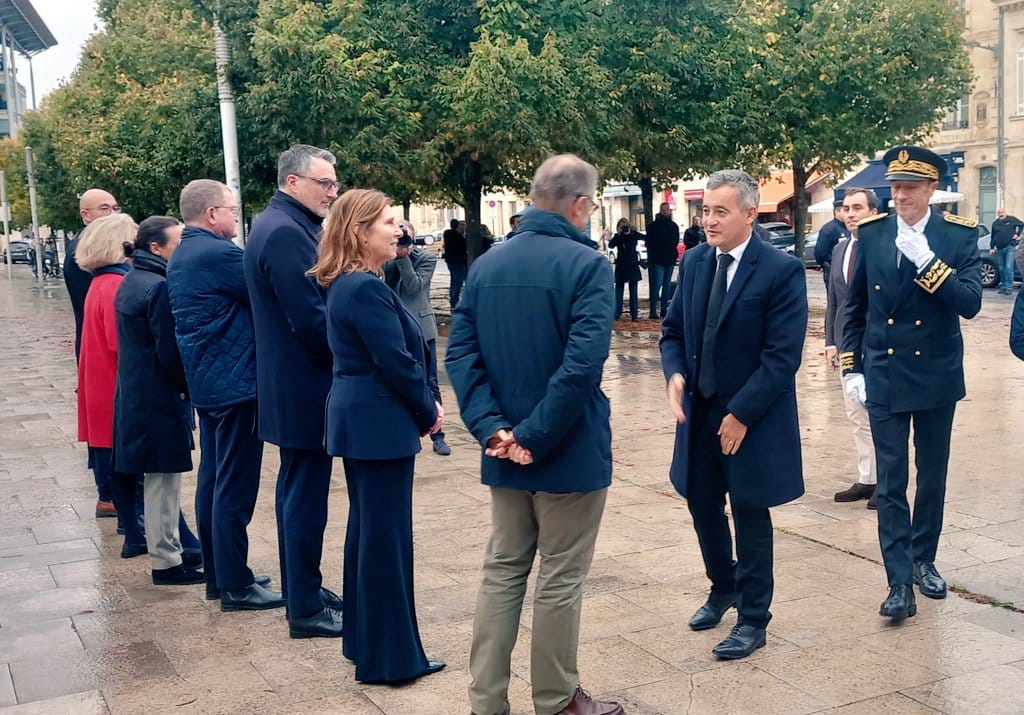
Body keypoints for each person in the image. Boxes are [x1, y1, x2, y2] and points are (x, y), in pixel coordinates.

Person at [448, 154, 624, 715]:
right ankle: (556, 698)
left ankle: (486, 702)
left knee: (502, 571)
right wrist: (532, 435)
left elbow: (461, 355)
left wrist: (493, 429)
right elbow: (581, 366)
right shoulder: (588, 265)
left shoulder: (487, 265)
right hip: (566, 447)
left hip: (505, 448)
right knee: (560, 577)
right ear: (580, 204)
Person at [661, 169, 807, 660]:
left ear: (749, 213)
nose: (709, 220)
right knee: (702, 503)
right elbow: (673, 332)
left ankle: (753, 618)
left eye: (720, 211)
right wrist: (674, 374)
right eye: (705, 211)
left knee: (749, 512)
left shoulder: (780, 271)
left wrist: (741, 413)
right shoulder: (696, 262)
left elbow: (782, 357)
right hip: (700, 413)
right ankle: (723, 585)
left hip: (752, 418)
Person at [310, 188, 445, 685]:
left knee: (369, 532)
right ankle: (390, 659)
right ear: (359, 232)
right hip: (378, 420)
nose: (398, 230)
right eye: (388, 222)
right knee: (385, 539)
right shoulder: (362, 287)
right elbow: (396, 361)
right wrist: (428, 408)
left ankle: (366, 642)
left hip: (366, 419)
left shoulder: (355, 282)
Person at [841, 146, 982, 621]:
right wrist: (852, 367)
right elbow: (855, 307)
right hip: (884, 372)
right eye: (895, 187)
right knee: (892, 479)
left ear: (931, 190)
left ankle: (924, 559)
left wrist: (927, 262)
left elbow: (969, 304)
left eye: (909, 188)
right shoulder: (873, 233)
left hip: (936, 373)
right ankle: (898, 581)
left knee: (932, 475)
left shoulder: (958, 236)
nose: (899, 196)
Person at [167, 179, 284, 613]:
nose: (237, 217)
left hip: (210, 383)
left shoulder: (184, 252)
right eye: (233, 210)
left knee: (214, 481)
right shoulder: (219, 254)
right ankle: (236, 584)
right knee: (234, 485)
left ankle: (221, 576)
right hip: (236, 385)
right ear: (212, 213)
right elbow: (268, 293)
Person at [244, 145, 345, 637]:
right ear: (292, 182)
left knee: (297, 493)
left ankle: (306, 588)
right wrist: (354, 357)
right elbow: (310, 320)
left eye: (334, 183)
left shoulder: (284, 224)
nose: (332, 192)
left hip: (294, 385)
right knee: (304, 499)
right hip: (303, 386)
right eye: (324, 183)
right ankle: (304, 607)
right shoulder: (285, 232)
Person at [113, 216, 204, 585]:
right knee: (162, 483)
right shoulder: (157, 286)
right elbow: (169, 350)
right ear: (156, 247)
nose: (183, 248)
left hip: (139, 394)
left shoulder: (132, 279)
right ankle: (166, 561)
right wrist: (189, 388)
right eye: (177, 242)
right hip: (157, 397)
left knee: (159, 479)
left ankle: (169, 553)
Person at [75, 213, 147, 559]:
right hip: (117, 383)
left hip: (101, 380)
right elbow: (123, 343)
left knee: (115, 457)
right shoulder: (118, 285)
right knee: (129, 461)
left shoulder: (100, 282)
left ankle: (130, 520)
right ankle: (135, 522)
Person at [67, 189, 120, 520]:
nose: (112, 213)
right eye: (103, 208)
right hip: (98, 345)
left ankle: (111, 492)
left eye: (115, 207)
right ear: (85, 215)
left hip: (96, 342)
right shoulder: (86, 253)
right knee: (103, 420)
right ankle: (108, 494)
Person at [825, 188, 878, 508]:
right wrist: (831, 342)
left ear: (873, 212)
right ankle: (867, 477)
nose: (851, 214)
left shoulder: (883, 247)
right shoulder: (840, 249)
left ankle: (887, 482)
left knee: (880, 414)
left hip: (878, 344)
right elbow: (834, 300)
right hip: (847, 344)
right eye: (846, 208)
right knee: (856, 413)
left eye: (858, 207)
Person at [385, 220, 451, 456]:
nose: (402, 241)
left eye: (406, 237)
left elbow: (414, 287)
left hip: (422, 328)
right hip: (395, 326)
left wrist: (403, 257)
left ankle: (438, 435)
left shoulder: (426, 258)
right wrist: (393, 256)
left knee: (430, 381)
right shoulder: (386, 256)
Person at [646, 202, 680, 319]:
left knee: (666, 284)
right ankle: (653, 310)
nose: (666, 212)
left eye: (668, 209)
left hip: (669, 258)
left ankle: (663, 309)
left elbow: (675, 241)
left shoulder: (673, 226)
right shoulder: (653, 226)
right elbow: (649, 242)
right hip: (658, 259)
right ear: (661, 210)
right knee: (658, 283)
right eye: (664, 210)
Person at [609, 218, 643, 321]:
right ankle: (617, 313)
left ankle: (634, 314)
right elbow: (611, 245)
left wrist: (629, 233)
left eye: (625, 226)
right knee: (619, 290)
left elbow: (645, 238)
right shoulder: (618, 236)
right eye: (621, 226)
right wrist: (619, 235)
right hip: (622, 265)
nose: (624, 228)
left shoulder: (633, 234)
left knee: (633, 291)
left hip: (632, 264)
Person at [814, 201, 851, 286]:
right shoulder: (829, 229)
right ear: (837, 211)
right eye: (845, 210)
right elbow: (820, 252)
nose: (849, 213)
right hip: (833, 270)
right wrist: (825, 265)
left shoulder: (848, 226)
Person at [989, 207, 1023, 295]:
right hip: (999, 248)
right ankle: (1003, 287)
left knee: (1008, 267)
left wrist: (1017, 234)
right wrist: (992, 247)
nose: (1001, 214)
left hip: (1010, 247)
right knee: (1001, 268)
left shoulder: (1012, 219)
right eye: (999, 213)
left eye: (1002, 212)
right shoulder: (995, 223)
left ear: (1005, 212)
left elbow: (1021, 224)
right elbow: (993, 236)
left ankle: (1009, 287)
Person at [442, 218, 468, 309]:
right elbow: (464, 247)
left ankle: (453, 300)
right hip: (459, 261)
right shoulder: (459, 237)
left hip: (450, 261)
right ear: (457, 226)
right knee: (458, 282)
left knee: (454, 281)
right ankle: (454, 300)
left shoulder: (447, 235)